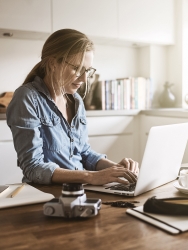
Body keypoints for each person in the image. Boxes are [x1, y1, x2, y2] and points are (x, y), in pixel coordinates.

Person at [6, 29, 139, 185]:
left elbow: (84, 153)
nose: (84, 78)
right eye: (77, 69)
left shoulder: (76, 101)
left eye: (87, 71)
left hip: (81, 190)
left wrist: (117, 169)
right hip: (46, 194)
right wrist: (91, 177)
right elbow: (33, 166)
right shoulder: (27, 98)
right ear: (52, 63)